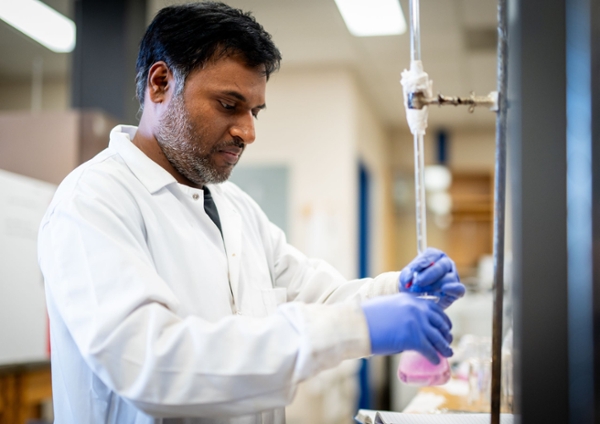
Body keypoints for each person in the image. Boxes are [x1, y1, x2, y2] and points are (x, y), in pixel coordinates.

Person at [37, 2, 465, 423]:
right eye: (229, 105)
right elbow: (151, 363)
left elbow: (319, 295)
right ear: (161, 82)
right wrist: (359, 327)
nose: (248, 131)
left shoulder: (234, 207)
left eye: (254, 112)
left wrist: (400, 289)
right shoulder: (93, 202)